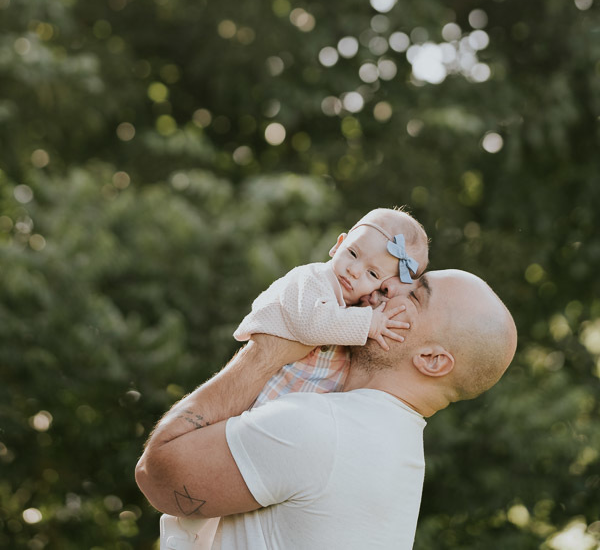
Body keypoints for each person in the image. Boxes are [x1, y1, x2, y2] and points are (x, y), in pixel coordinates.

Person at [136, 269, 517, 550]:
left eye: (415, 296)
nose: (388, 286)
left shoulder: (321, 428)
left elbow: (156, 473)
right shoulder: (395, 452)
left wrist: (265, 353)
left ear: (432, 359)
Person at [158, 206, 429, 546]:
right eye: (353, 253)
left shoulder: (355, 307)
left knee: (236, 511)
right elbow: (311, 324)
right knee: (207, 498)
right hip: (260, 399)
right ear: (338, 244)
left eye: (373, 275)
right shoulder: (311, 280)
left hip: (287, 417)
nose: (354, 271)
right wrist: (370, 324)